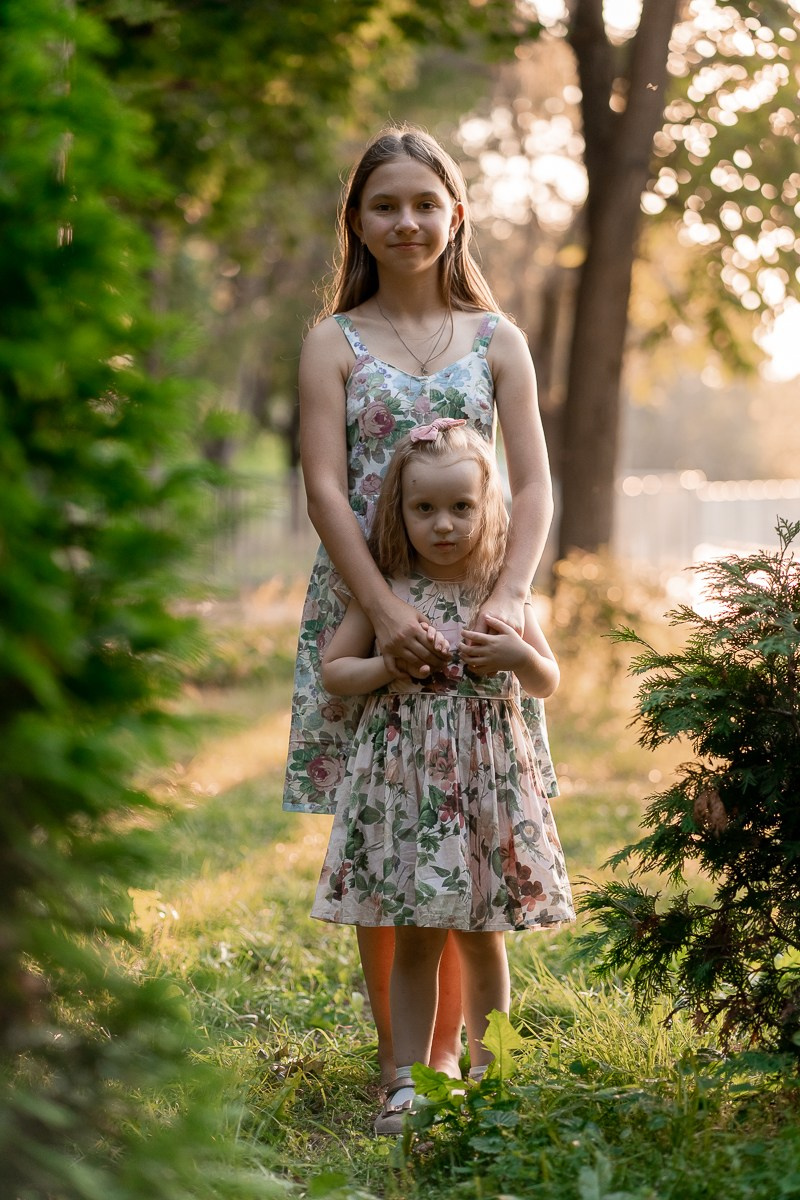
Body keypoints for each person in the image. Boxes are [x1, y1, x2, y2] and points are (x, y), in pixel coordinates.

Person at [283, 123, 558, 1086]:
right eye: (384, 205)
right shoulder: (335, 340)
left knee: (467, 822)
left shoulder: (497, 340)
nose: (406, 221)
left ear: (456, 214)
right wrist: (384, 612)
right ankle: (413, 1059)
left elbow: (534, 485)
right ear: (356, 221)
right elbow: (324, 487)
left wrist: (513, 598)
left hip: (477, 599)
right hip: (367, 588)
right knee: (385, 825)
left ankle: (465, 1056)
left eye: (423, 203)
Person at [311, 421, 575, 1135]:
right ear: (398, 510)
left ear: (487, 506)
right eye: (424, 509)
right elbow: (335, 673)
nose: (444, 524)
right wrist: (386, 665)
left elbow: (547, 681)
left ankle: (495, 1076)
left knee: (485, 936)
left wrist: (518, 654)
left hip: (486, 791)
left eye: (461, 506)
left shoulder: (501, 590)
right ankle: (407, 1079)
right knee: (416, 934)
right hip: (410, 796)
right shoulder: (389, 593)